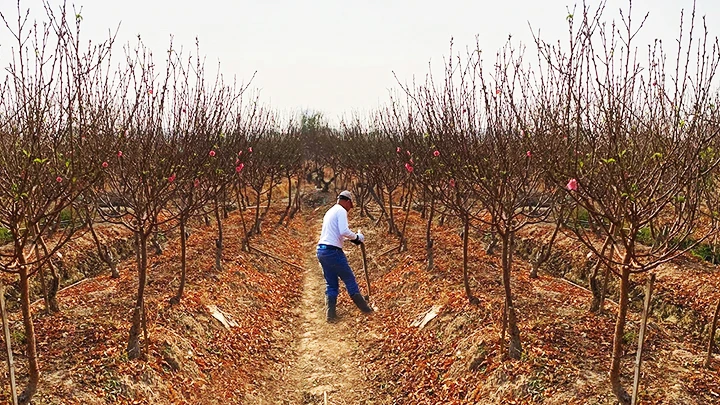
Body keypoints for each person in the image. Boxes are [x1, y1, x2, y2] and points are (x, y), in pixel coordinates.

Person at [316, 190, 373, 322]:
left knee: (331, 284)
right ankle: (365, 309)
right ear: (347, 201)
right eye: (350, 205)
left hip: (322, 250)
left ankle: (330, 315)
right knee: (349, 279)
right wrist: (358, 237)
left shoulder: (330, 212)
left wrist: (352, 239)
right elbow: (344, 231)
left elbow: (336, 234)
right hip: (333, 252)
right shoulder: (341, 211)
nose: (350, 209)